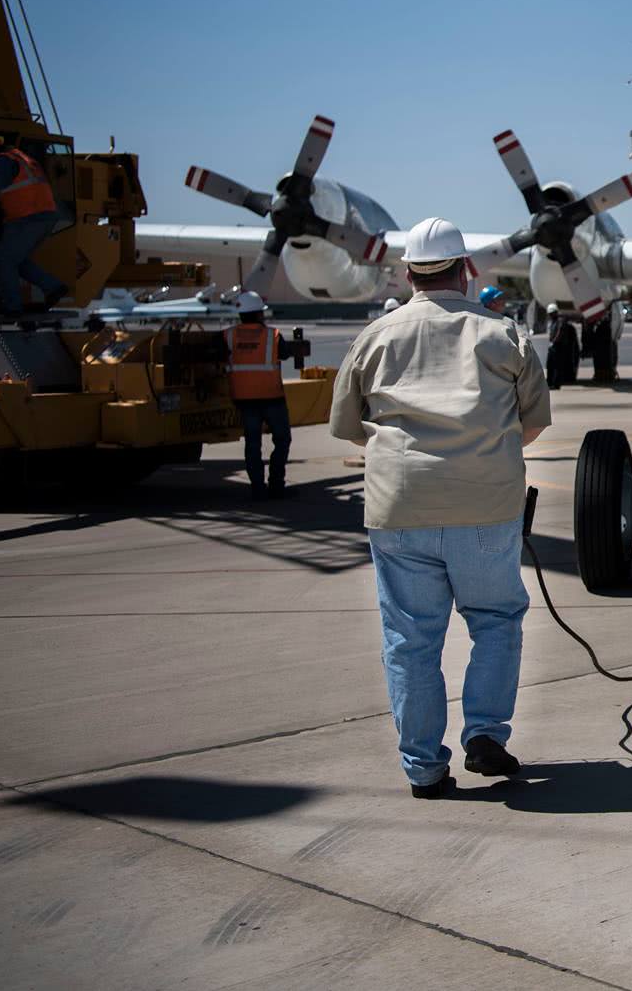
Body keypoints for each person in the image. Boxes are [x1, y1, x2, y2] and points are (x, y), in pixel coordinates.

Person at [330, 216, 552, 799]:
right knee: (497, 622)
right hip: (485, 507)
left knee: (410, 641)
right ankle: (484, 735)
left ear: (407, 273)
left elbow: (351, 429)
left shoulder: (374, 337)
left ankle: (424, 769)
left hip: (399, 510)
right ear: (466, 270)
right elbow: (531, 424)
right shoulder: (504, 335)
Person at [0, 133, 68, 318]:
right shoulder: (19, 157)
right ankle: (53, 287)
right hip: (43, 216)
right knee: (16, 260)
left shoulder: (3, 161)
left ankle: (13, 307)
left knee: (3, 260)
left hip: (27, 217)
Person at [228, 290, 304, 499]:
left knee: (253, 444)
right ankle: (276, 484)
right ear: (259, 314)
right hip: (272, 397)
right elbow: (287, 352)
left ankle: (257, 489)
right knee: (282, 440)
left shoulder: (229, 335)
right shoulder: (272, 336)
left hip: (244, 399)